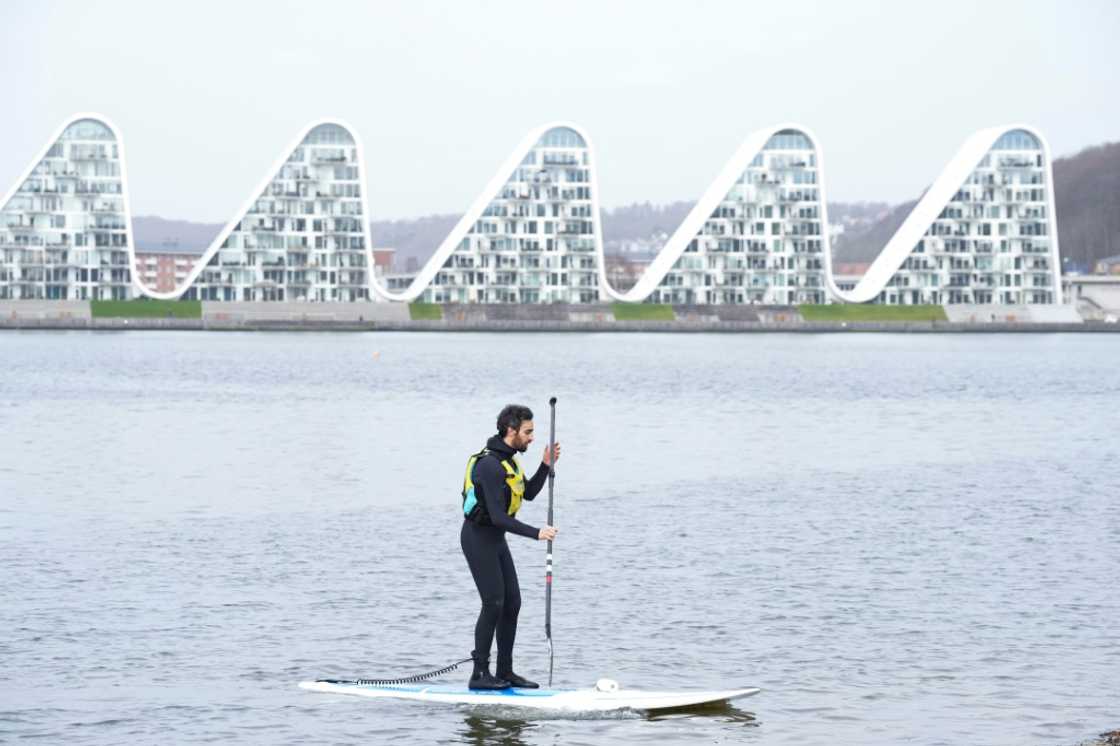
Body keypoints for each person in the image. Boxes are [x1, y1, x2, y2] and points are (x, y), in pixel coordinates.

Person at [460, 404, 560, 690]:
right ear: (510, 430)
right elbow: (498, 517)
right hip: (478, 539)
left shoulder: (510, 461)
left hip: (495, 540)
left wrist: (545, 464)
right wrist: (537, 533)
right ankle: (479, 674)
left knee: (512, 603)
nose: (531, 437)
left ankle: (505, 671)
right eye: (527, 432)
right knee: (493, 602)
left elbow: (527, 494)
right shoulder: (489, 465)